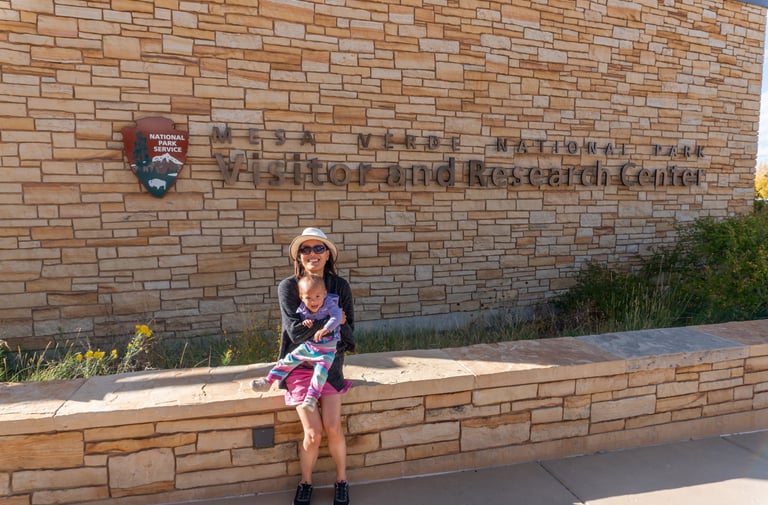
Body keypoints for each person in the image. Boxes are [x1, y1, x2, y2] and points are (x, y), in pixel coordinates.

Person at [260, 227, 355, 505]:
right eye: (305, 249)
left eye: (318, 248)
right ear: (298, 256)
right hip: (299, 368)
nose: (312, 254)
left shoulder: (340, 287)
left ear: (328, 254)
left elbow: (350, 335)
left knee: (334, 427)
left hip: (330, 366)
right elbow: (294, 332)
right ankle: (305, 482)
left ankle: (341, 480)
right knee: (313, 434)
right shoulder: (289, 287)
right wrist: (335, 325)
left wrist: (337, 329)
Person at [251, 274, 343, 412]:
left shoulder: (329, 303)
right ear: (301, 297)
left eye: (317, 296)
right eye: (308, 298)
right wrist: (305, 321)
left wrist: (325, 329)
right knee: (289, 360)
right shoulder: (303, 308)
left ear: (324, 294)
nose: (313, 301)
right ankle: (268, 381)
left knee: (320, 372)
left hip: (327, 350)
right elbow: (301, 324)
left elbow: (338, 317)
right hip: (310, 346)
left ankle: (311, 398)